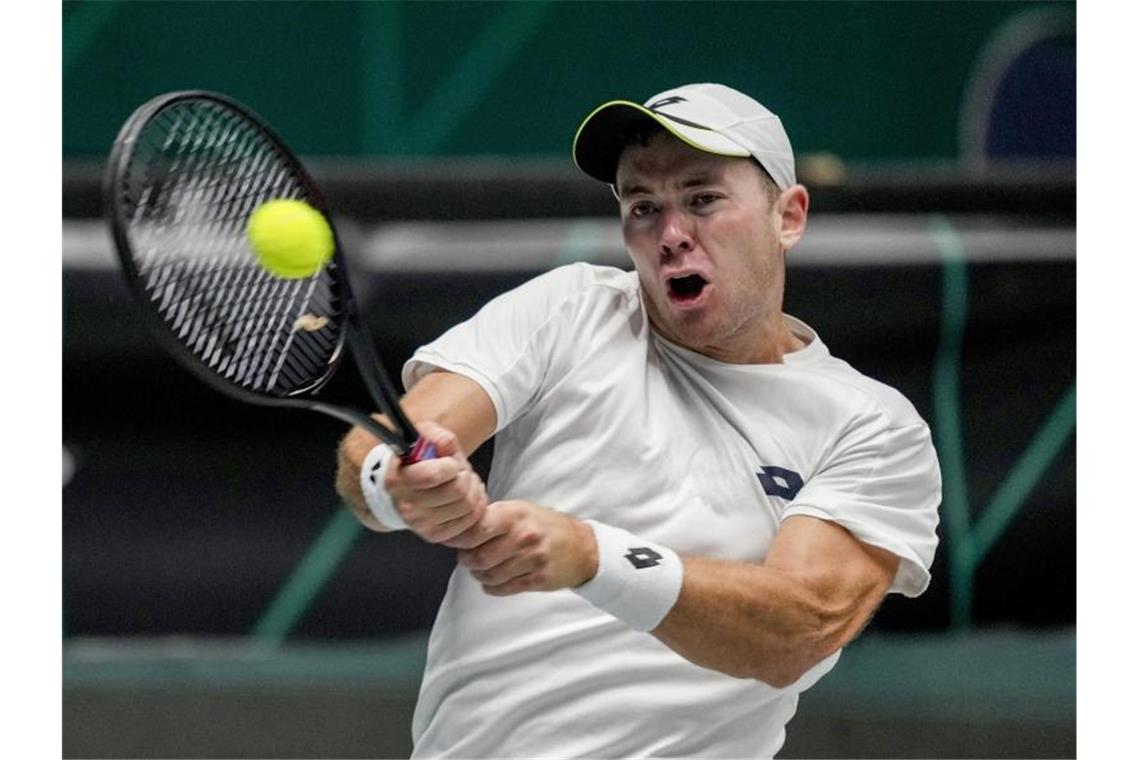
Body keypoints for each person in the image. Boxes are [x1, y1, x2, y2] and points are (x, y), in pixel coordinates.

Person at [336, 82, 941, 758]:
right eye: (643, 207)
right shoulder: (569, 310)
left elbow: (798, 629)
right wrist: (401, 483)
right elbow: (381, 447)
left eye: (703, 199)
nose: (673, 235)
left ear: (788, 215)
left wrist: (594, 557)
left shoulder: (872, 428)